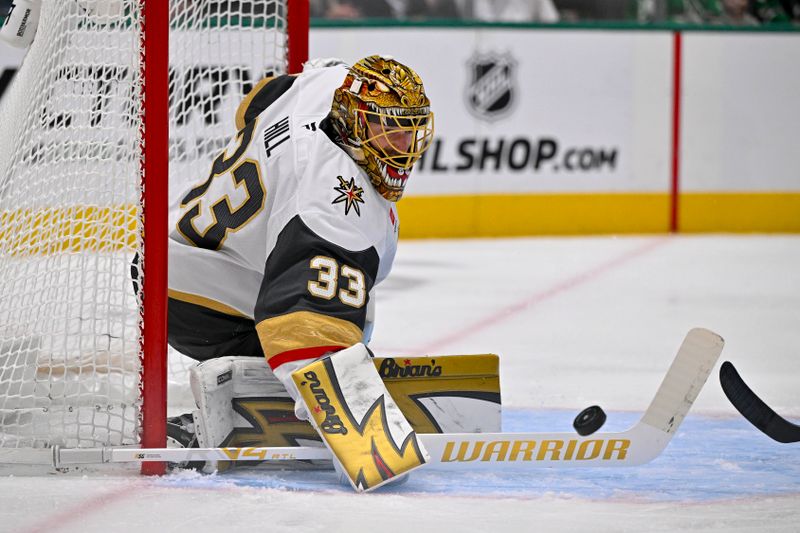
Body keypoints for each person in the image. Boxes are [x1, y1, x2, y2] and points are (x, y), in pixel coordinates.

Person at [166, 55, 435, 492]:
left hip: (180, 256)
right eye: (390, 128)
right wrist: (364, 432)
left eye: (410, 127)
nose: (404, 144)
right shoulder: (331, 202)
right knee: (342, 313)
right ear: (351, 121)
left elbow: (256, 102)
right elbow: (303, 325)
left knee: (350, 294)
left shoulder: (328, 85)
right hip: (190, 300)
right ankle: (257, 402)